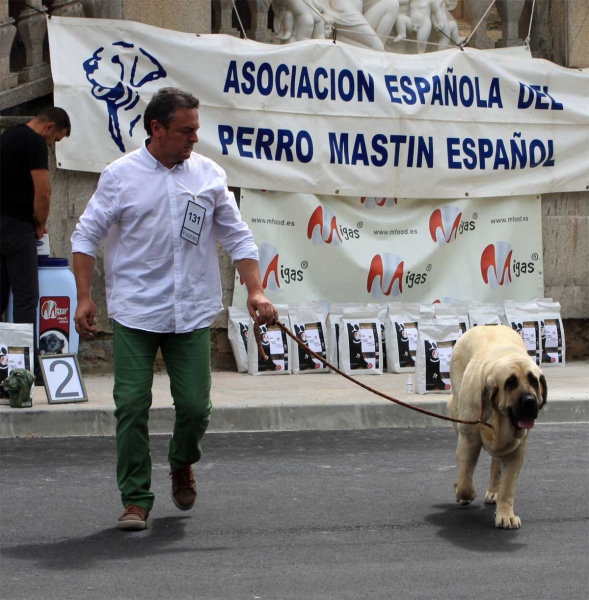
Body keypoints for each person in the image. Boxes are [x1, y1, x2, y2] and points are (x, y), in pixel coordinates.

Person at [71, 87, 278, 531]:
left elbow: (237, 236)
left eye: (196, 131)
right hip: (137, 311)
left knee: (194, 408)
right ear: (157, 129)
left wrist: (256, 290)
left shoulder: (207, 176)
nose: (193, 140)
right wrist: (84, 297)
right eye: (186, 131)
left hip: (192, 310)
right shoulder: (120, 175)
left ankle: (181, 461)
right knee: (130, 404)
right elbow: (85, 236)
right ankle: (136, 499)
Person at [0, 107, 71, 383]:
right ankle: (25, 368)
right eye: (56, 140)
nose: (52, 145)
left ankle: (4, 365)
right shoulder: (34, 142)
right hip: (18, 229)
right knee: (27, 300)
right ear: (49, 127)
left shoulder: (7, 136)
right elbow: (43, 191)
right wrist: (39, 225)